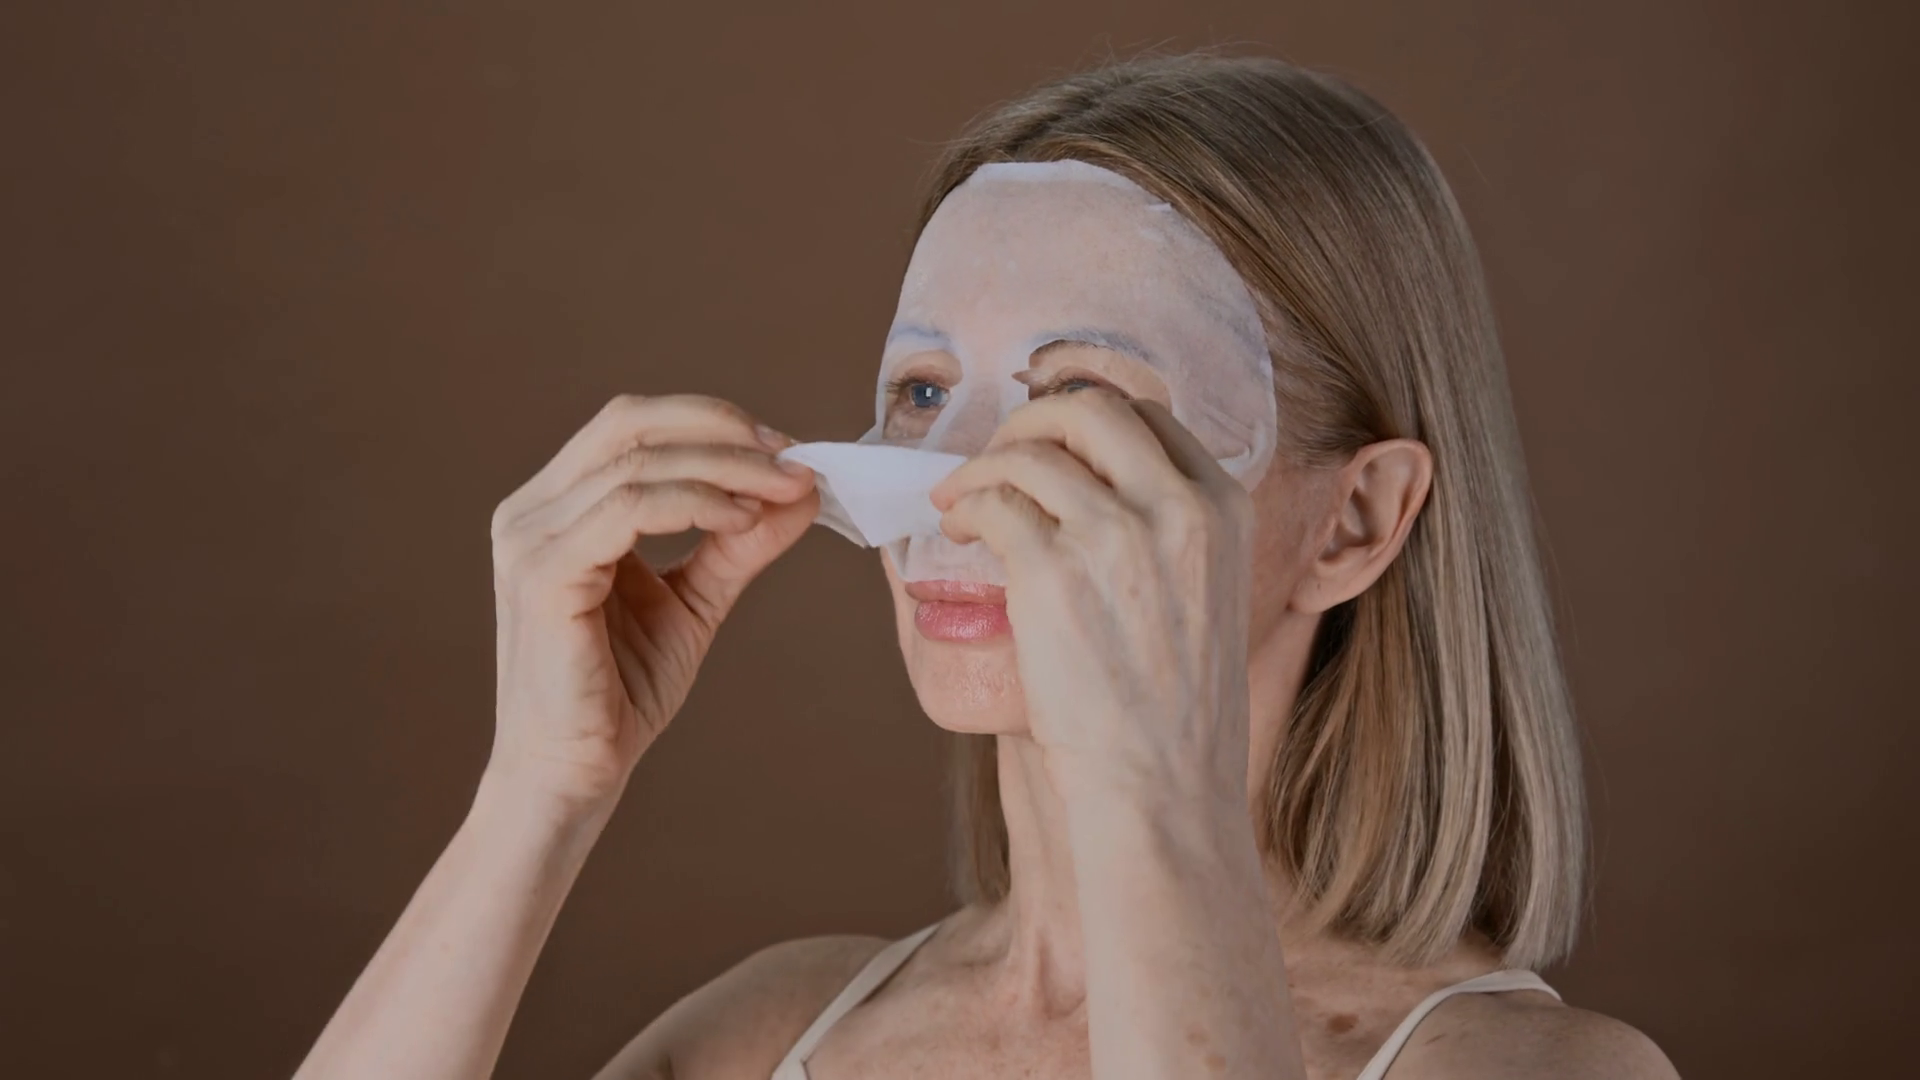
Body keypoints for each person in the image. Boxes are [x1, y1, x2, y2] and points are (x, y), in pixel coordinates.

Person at [291, 53, 1678, 1080]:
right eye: (920, 392)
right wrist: (540, 789)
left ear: (1356, 522)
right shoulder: (776, 1031)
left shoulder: (1523, 1071)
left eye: (1082, 403)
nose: (957, 486)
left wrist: (1149, 780)